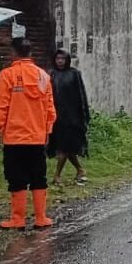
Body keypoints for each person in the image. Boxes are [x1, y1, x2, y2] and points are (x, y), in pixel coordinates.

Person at [0, 38, 57, 230]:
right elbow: (50, 108)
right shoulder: (43, 76)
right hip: (37, 137)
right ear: (30, 53)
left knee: (16, 177)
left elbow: (0, 106)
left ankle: (17, 219)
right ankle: (41, 217)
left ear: (13, 53)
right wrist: (47, 131)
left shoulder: (7, 75)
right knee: (39, 176)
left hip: (14, 138)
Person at [48, 49, 91, 187]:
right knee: (66, 147)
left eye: (63, 58)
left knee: (65, 147)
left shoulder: (74, 74)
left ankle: (57, 175)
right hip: (56, 117)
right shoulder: (51, 74)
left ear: (67, 60)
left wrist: (84, 116)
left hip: (72, 118)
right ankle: (80, 170)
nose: (60, 61)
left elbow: (81, 95)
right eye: (58, 58)